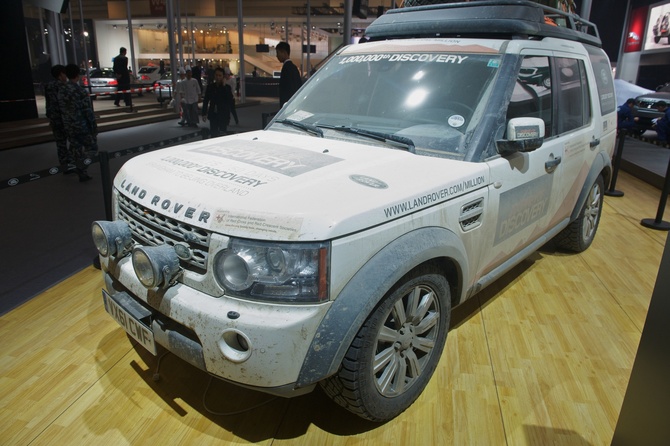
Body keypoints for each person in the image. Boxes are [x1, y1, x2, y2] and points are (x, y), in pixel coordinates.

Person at [58, 64, 97, 182]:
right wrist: (93, 126)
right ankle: (82, 167)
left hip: (68, 125)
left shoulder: (61, 90)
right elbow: (87, 111)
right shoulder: (79, 91)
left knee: (76, 148)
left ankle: (80, 170)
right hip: (82, 125)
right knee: (92, 149)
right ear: (77, 75)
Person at [44, 64, 74, 174]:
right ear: (61, 74)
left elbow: (48, 104)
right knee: (73, 142)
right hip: (65, 119)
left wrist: (50, 117)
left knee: (60, 144)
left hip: (55, 119)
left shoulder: (48, 86)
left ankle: (64, 166)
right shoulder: (64, 86)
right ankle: (71, 163)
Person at [202, 67, 235, 138]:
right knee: (213, 134)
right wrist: (204, 113)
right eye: (216, 75)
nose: (218, 77)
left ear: (223, 77)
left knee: (222, 134)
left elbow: (230, 100)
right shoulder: (210, 87)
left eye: (220, 76)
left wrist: (223, 86)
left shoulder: (227, 87)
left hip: (223, 115)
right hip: (213, 114)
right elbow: (206, 100)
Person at [276, 41, 302, 107]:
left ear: (284, 52)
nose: (277, 56)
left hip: (288, 104)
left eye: (278, 52)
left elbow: (288, 89)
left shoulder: (286, 68)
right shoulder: (294, 67)